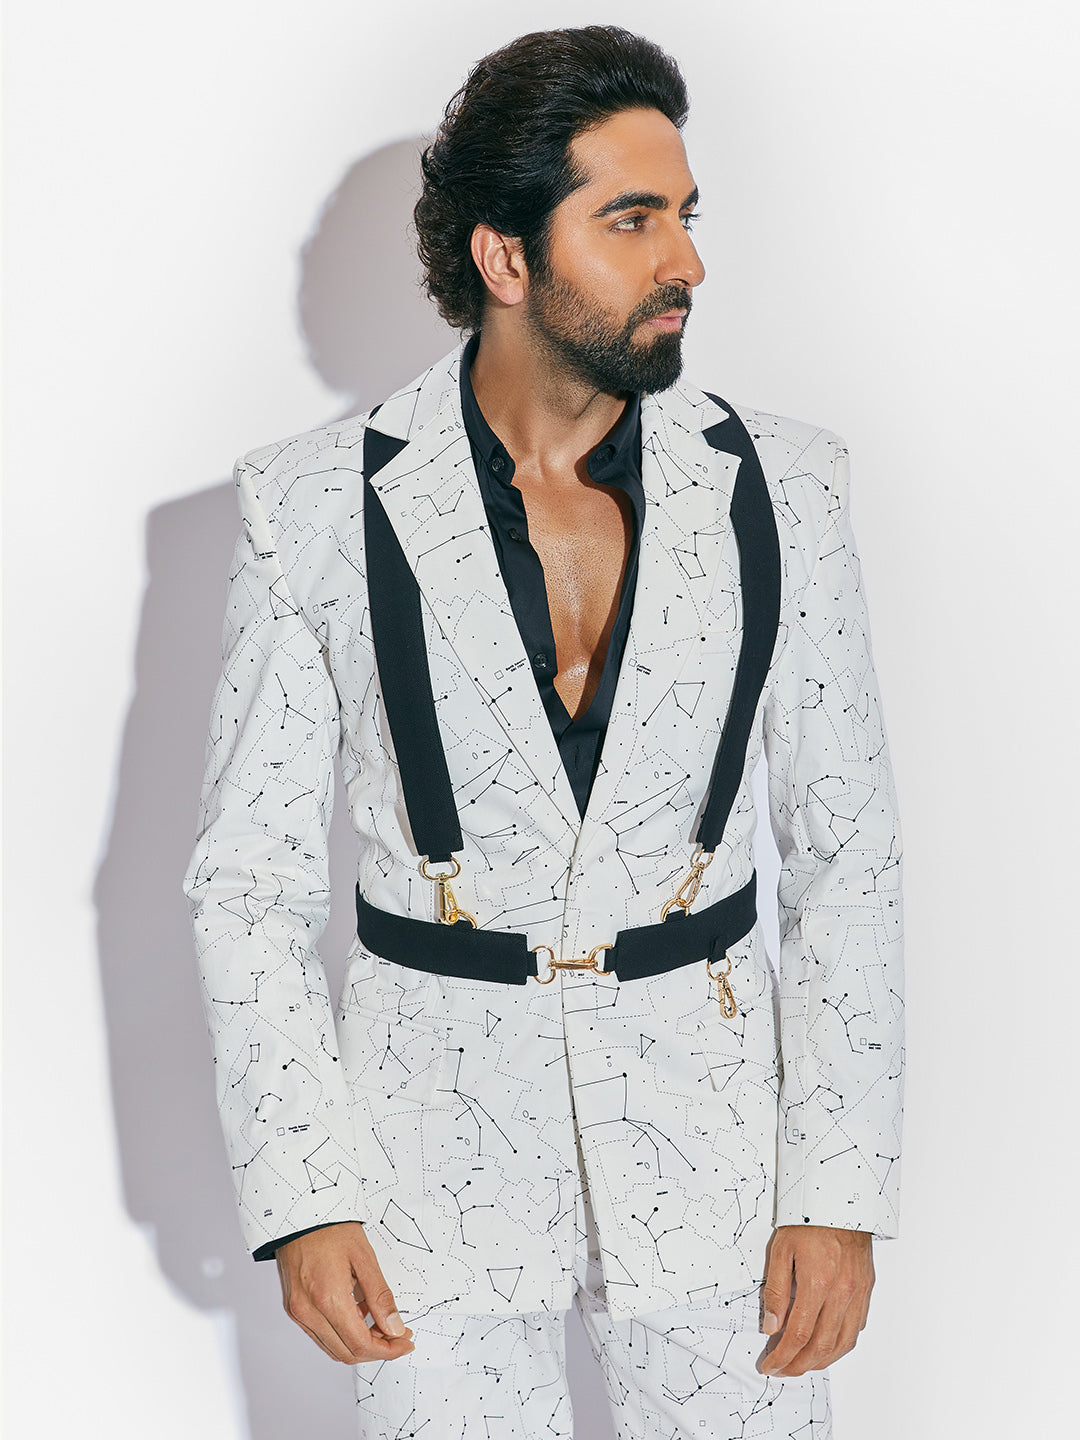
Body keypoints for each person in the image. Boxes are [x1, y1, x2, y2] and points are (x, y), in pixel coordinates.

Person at [185, 25, 904, 1438]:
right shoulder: (312, 504)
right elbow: (247, 883)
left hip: (721, 1158)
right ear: (505, 258)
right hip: (420, 1160)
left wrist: (838, 1190)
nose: (685, 260)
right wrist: (305, 1194)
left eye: (685, 214)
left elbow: (850, 856)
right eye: (632, 220)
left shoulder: (787, 489)